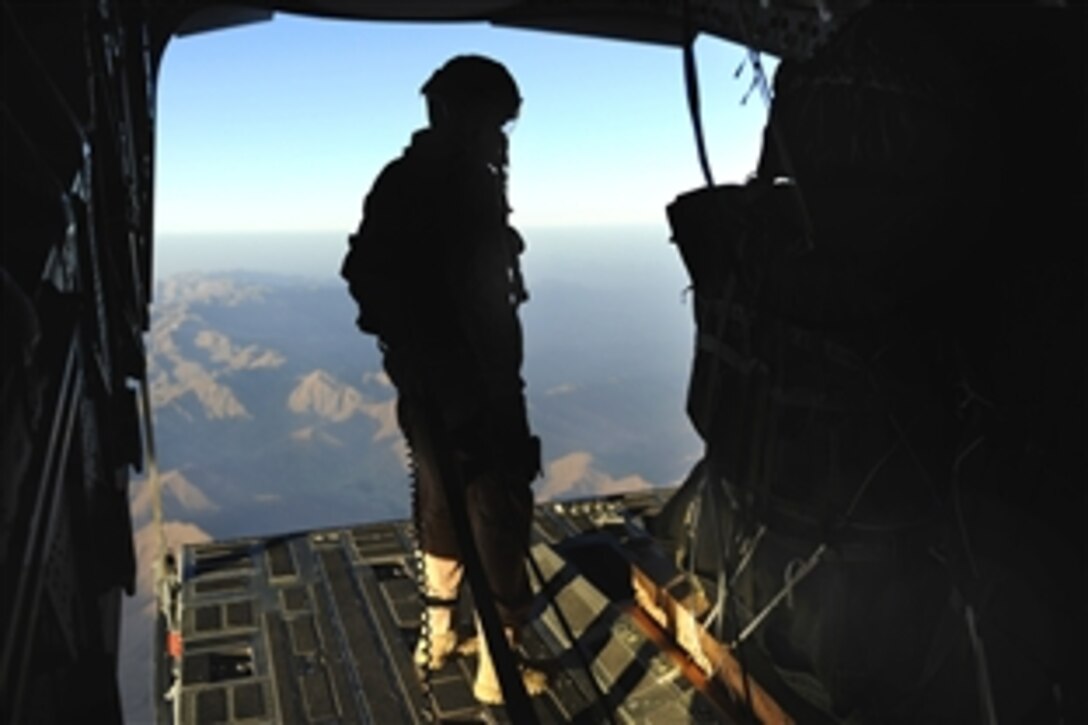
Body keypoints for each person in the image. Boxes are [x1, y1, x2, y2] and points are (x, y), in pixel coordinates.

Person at [340, 55, 545, 706]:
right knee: (499, 505)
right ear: (464, 115)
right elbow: (479, 300)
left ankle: (437, 636)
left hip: (426, 383)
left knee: (440, 501)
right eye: (494, 118)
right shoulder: (464, 186)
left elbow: (362, 274)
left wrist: (408, 346)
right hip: (475, 380)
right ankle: (498, 666)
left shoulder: (401, 181)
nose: (501, 133)